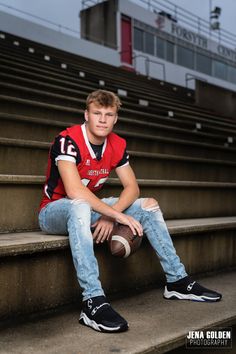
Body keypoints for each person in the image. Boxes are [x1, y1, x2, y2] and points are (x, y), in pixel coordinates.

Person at [38, 90, 222, 333]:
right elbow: (74, 191)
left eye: (109, 114)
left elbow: (132, 188)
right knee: (81, 204)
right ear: (87, 115)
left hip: (89, 208)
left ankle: (177, 280)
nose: (103, 119)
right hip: (53, 212)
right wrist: (116, 215)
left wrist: (109, 213)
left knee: (149, 205)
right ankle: (92, 300)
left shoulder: (117, 143)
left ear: (115, 119)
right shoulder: (68, 139)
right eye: (97, 113)